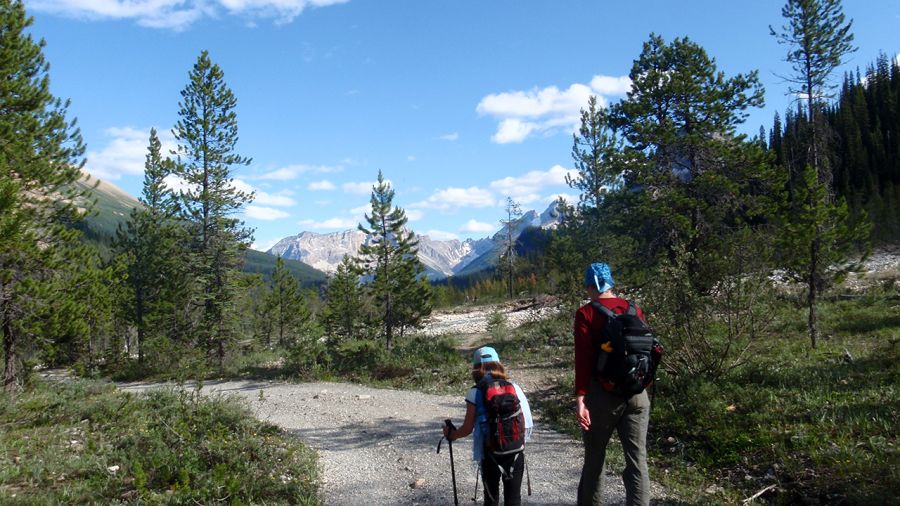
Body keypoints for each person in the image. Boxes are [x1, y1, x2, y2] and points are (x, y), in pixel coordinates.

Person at [574, 263, 651, 506]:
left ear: (590, 285)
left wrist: (580, 398)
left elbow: (583, 359)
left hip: (602, 396)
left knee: (595, 460)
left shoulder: (586, 313)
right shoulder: (633, 309)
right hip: (637, 394)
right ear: (610, 283)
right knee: (638, 460)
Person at [442, 346, 534, 506]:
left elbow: (466, 429)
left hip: (489, 452)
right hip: (516, 451)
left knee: (491, 499)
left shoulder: (475, 392)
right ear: (498, 364)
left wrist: (451, 434)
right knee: (514, 499)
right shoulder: (514, 388)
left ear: (476, 368)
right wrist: (515, 443)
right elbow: (527, 425)